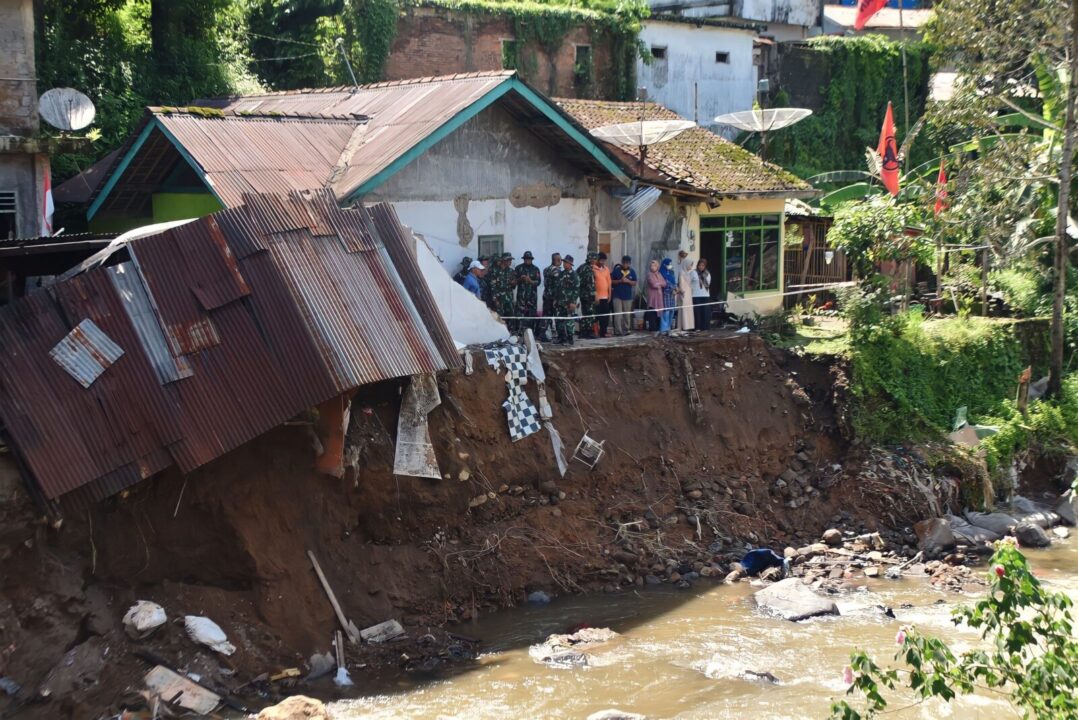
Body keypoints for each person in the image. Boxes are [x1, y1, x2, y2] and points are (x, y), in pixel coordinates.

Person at [554, 254, 579, 345]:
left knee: (569, 321)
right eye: (564, 262)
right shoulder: (561, 274)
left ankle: (570, 339)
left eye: (566, 263)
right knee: (559, 320)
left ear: (570, 264)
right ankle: (561, 338)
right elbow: (558, 287)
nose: (564, 264)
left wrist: (573, 302)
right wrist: (555, 300)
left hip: (569, 302)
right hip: (560, 302)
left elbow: (576, 290)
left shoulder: (574, 275)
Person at [514, 251, 541, 334]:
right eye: (525, 259)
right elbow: (514, 281)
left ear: (531, 259)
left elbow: (538, 282)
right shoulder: (518, 268)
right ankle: (519, 331)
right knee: (519, 314)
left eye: (529, 259)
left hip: (532, 296)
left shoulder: (536, 269)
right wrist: (520, 279)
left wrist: (530, 281)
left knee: (531, 314)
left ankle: (530, 332)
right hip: (521, 296)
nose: (527, 260)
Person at [610, 255, 637, 336]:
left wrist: (628, 281)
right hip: (617, 296)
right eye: (624, 263)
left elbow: (635, 282)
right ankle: (618, 331)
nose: (626, 264)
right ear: (622, 263)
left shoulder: (632, 271)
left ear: (629, 263)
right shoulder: (616, 271)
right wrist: (620, 281)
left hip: (628, 296)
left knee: (627, 314)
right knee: (618, 314)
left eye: (627, 263)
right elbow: (611, 281)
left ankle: (627, 329)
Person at [491, 252, 516, 328]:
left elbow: (513, 286)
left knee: (511, 316)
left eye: (511, 260)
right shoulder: (495, 271)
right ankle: (500, 334)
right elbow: (493, 286)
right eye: (508, 260)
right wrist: (495, 300)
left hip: (509, 298)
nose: (510, 262)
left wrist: (514, 283)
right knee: (499, 317)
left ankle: (511, 332)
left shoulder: (511, 271)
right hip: (499, 299)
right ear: (503, 260)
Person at [542, 252, 562, 341]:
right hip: (554, 298)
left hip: (546, 296)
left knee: (546, 316)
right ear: (555, 260)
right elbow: (558, 285)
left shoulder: (546, 269)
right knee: (557, 317)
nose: (561, 261)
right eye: (559, 259)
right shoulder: (556, 270)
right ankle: (559, 336)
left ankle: (543, 334)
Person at [577, 252, 597, 338]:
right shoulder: (587, 268)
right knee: (589, 313)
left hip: (584, 294)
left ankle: (584, 332)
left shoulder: (583, 267)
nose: (595, 260)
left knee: (585, 313)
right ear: (591, 259)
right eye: (594, 259)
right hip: (587, 295)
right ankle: (588, 332)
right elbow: (588, 283)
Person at [646, 259, 668, 336]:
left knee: (659, 313)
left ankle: (658, 329)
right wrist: (659, 284)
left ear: (657, 266)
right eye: (652, 265)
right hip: (652, 297)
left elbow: (664, 283)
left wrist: (658, 283)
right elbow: (653, 284)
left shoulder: (659, 274)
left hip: (659, 297)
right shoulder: (649, 274)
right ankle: (653, 329)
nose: (653, 267)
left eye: (654, 265)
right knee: (652, 312)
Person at [593, 252, 612, 337]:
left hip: (605, 296)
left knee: (605, 316)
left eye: (604, 261)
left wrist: (609, 295)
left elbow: (609, 282)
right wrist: (595, 294)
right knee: (596, 315)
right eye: (601, 260)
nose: (602, 262)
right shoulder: (593, 269)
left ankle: (603, 332)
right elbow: (592, 283)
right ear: (597, 260)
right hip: (597, 297)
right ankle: (596, 332)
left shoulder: (606, 269)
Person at [676, 251, 696, 332]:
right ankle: (683, 326)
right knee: (683, 310)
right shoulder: (681, 272)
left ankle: (689, 326)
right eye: (690, 265)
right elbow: (681, 284)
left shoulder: (688, 273)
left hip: (688, 294)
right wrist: (683, 292)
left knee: (688, 310)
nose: (691, 266)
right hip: (683, 294)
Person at [690, 258, 712, 331]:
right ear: (697, 265)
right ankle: (698, 327)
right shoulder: (693, 272)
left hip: (705, 295)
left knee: (705, 312)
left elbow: (708, 283)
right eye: (700, 265)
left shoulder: (707, 273)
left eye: (703, 265)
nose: (701, 267)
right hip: (696, 295)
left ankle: (705, 327)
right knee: (697, 312)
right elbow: (689, 282)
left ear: (705, 266)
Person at [659, 258, 677, 336]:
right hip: (665, 294)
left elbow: (674, 281)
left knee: (671, 311)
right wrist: (672, 289)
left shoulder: (671, 272)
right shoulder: (661, 273)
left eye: (670, 264)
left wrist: (676, 289)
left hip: (672, 295)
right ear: (664, 264)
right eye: (668, 264)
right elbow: (664, 283)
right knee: (665, 312)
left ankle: (668, 328)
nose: (670, 265)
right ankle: (664, 329)